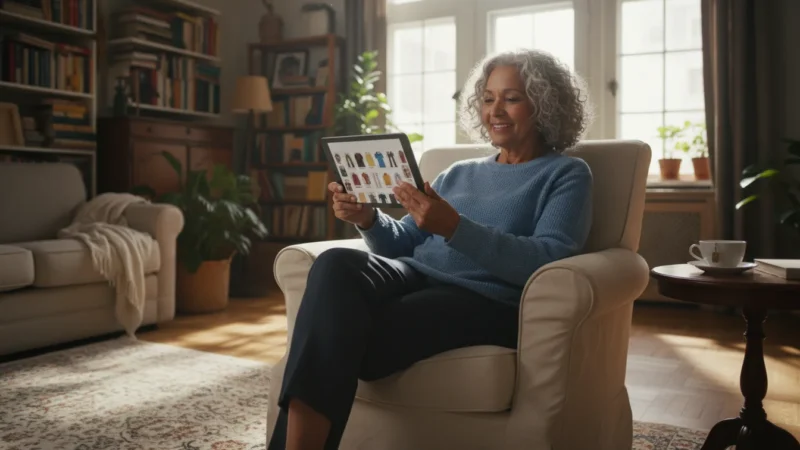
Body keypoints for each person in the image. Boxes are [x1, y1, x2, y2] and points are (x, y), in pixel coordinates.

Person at [267, 48, 594, 450]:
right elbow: (404, 241)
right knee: (335, 264)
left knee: (336, 332)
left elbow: (549, 260)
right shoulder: (460, 172)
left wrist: (456, 228)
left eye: (512, 98)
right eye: (488, 98)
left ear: (544, 105)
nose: (495, 110)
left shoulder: (566, 174)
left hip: (484, 298)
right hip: (414, 276)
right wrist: (368, 218)